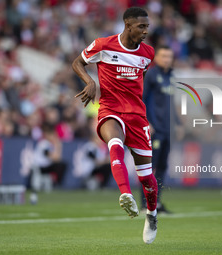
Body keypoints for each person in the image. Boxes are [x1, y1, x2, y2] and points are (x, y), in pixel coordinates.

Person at [72, 7, 158, 244]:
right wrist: (90, 81)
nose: (145, 31)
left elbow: (141, 80)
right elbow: (77, 62)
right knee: (115, 142)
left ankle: (151, 214)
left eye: (147, 27)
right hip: (110, 109)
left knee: (147, 177)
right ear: (127, 25)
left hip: (137, 116)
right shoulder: (103, 45)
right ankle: (125, 194)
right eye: (141, 26)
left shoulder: (148, 53)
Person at [141, 46, 181, 213]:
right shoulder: (150, 75)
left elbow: (171, 103)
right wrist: (146, 121)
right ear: (156, 57)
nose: (167, 59)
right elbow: (141, 98)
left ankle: (156, 203)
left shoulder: (171, 76)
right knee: (150, 167)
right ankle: (145, 204)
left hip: (168, 129)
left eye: (169, 56)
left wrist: (178, 123)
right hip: (154, 128)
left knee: (163, 166)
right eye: (163, 56)